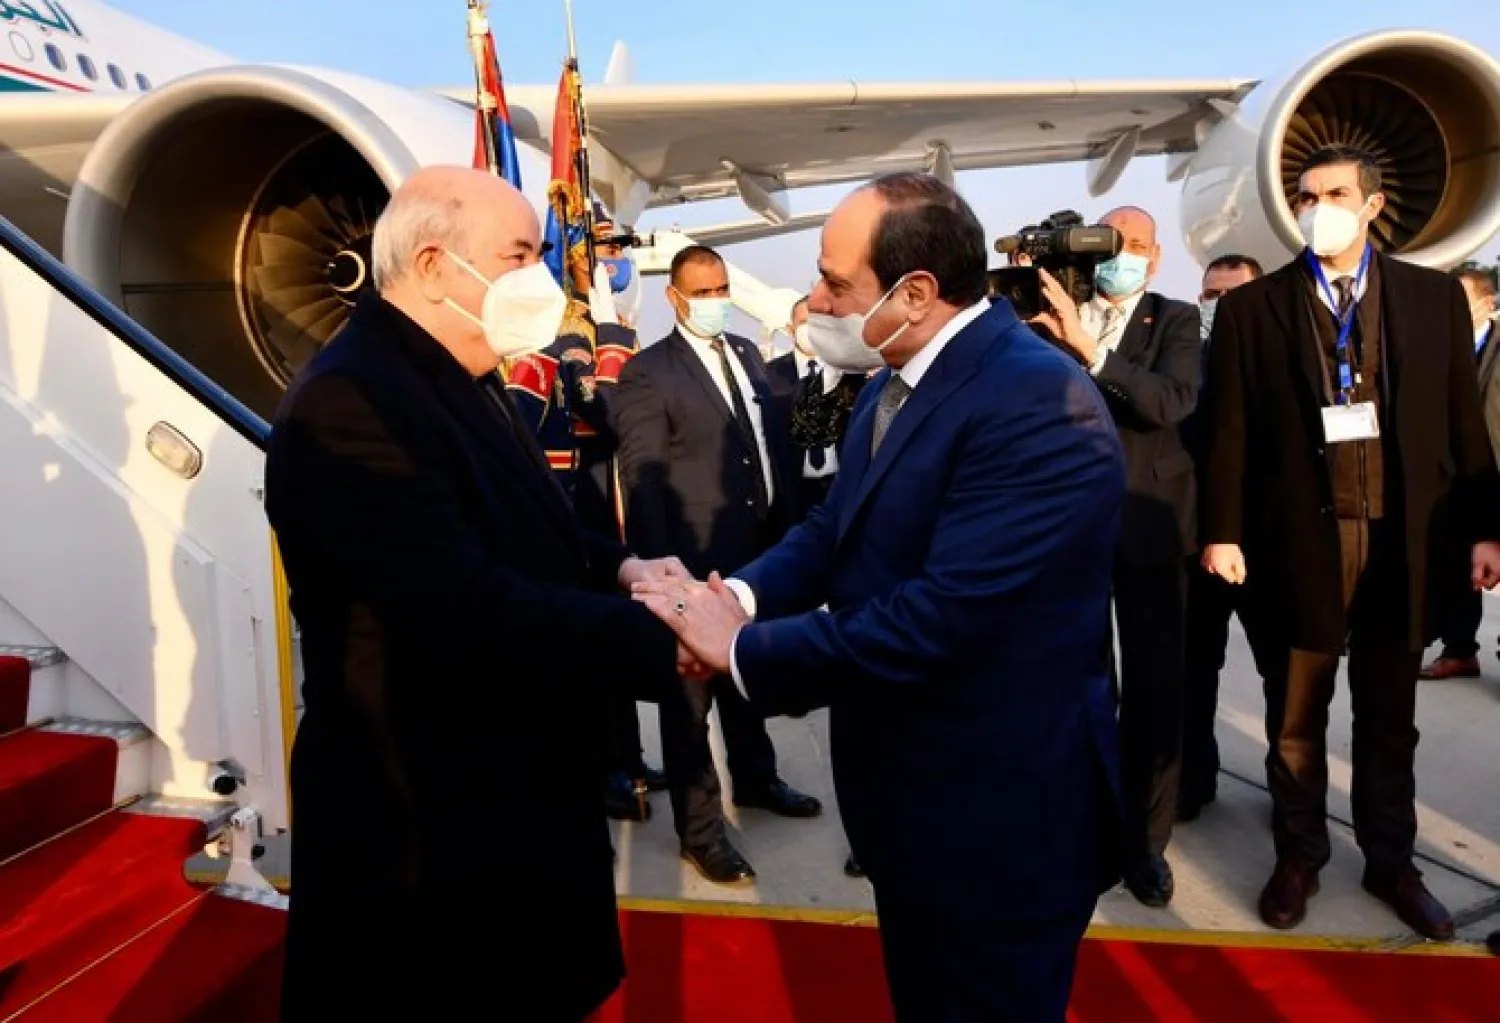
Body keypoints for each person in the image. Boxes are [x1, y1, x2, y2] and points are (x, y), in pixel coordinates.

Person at [636, 172, 1125, 1022]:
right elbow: (834, 530)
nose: (816, 296)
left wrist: (741, 650)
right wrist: (740, 598)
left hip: (998, 820)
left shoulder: (1037, 403)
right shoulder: (899, 377)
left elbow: (943, 620)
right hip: (913, 808)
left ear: (917, 291)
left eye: (835, 281)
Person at [265, 166, 685, 1021]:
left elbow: (540, 525)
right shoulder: (350, 400)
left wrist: (625, 569)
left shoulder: (463, 369)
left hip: (511, 793)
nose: (544, 277)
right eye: (523, 253)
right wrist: (669, 639)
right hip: (427, 829)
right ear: (430, 264)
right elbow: (462, 606)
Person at [1201, 144, 1500, 939]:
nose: (1314, 207)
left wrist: (1485, 526)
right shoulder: (1252, 308)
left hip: (1402, 542)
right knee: (1295, 716)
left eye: (1333, 193)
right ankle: (1299, 853)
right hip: (1300, 541)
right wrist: (1221, 533)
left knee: (1388, 717)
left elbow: (1464, 425)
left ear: (1371, 205)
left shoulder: (1431, 298)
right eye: (1304, 195)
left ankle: (1392, 860)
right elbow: (1228, 434)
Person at [613, 245, 822, 887]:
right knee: (688, 705)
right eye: (702, 293)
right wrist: (660, 580)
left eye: (721, 289)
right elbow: (643, 474)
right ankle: (701, 832)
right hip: (690, 562)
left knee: (745, 676)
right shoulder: (649, 373)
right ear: (675, 298)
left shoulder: (749, 355)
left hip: (753, 555)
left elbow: (765, 446)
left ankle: (757, 780)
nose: (715, 301)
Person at [1036, 205, 1201, 908]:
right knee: (1072, 686)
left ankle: (1145, 844)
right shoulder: (1047, 310)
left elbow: (1170, 401)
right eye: (1111, 244)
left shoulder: (1175, 318)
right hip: (1067, 528)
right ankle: (1076, 826)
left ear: (1155, 257)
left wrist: (1091, 351)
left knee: (1156, 692)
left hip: (1150, 530)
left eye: (1135, 246)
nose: (1121, 257)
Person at [505, 207, 665, 821]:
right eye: (603, 246)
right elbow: (601, 411)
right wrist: (608, 347)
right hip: (575, 508)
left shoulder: (603, 327)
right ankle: (602, 769)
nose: (617, 257)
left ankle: (626, 754)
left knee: (615, 642)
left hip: (608, 505)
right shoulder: (553, 341)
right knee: (586, 652)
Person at [1179, 254, 1266, 821]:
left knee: (1284, 678)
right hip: (1194, 541)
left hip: (1261, 542)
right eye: (1211, 295)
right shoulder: (1182, 356)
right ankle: (1192, 781)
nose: (1219, 306)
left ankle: (1295, 793)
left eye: (1233, 295)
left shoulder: (1280, 358)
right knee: (1192, 670)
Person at [1419, 267, 1500, 680]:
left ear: (1487, 304)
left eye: (1458, 299)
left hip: (1495, 471)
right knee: (1457, 565)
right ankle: (1459, 649)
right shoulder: (1435, 348)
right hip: (1451, 478)